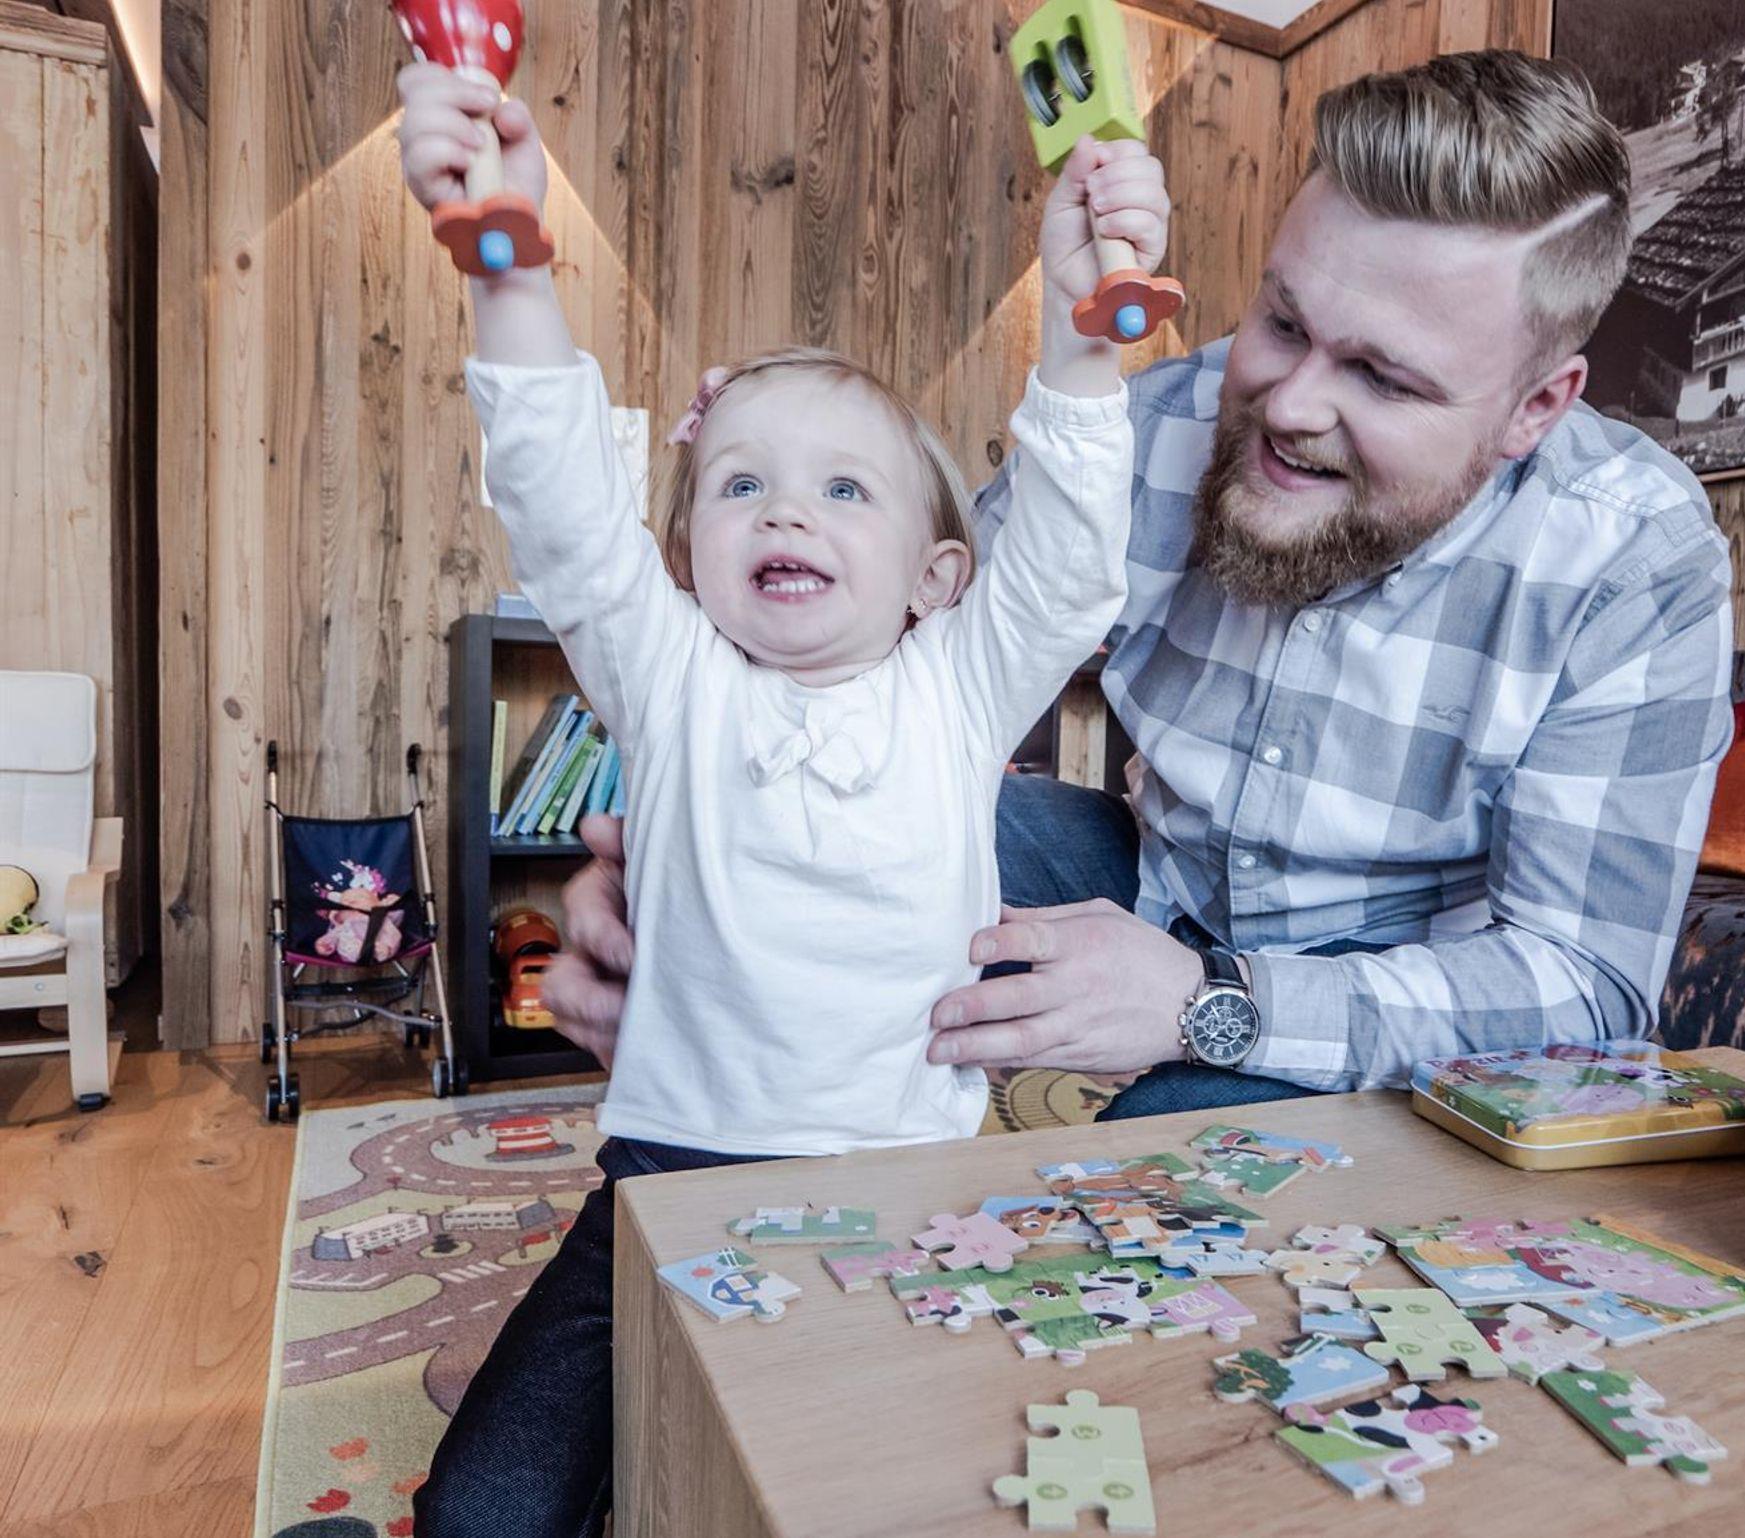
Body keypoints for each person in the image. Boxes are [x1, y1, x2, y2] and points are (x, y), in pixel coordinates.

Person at [548, 51, 1733, 1125]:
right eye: (1281, 321)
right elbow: (876, 646)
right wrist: (685, 845)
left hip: (1386, 981)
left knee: (1163, 1149)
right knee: (851, 837)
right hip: (1147, 871)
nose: (1287, 404)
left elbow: (1583, 983)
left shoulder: (1631, 557)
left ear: (1535, 406)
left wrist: (1205, 999)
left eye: (1379, 377)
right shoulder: (1149, 428)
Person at [392, 60, 1169, 1538]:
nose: (787, 509)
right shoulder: (673, 675)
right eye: (740, 484)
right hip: (660, 1191)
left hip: (911, 1197)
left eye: (844, 490)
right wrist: (507, 262)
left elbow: (1069, 565)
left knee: (889, 1493)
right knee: (479, 1516)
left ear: (938, 575)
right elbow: (562, 511)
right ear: (688, 552)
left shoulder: (960, 684)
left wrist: (1084, 338)